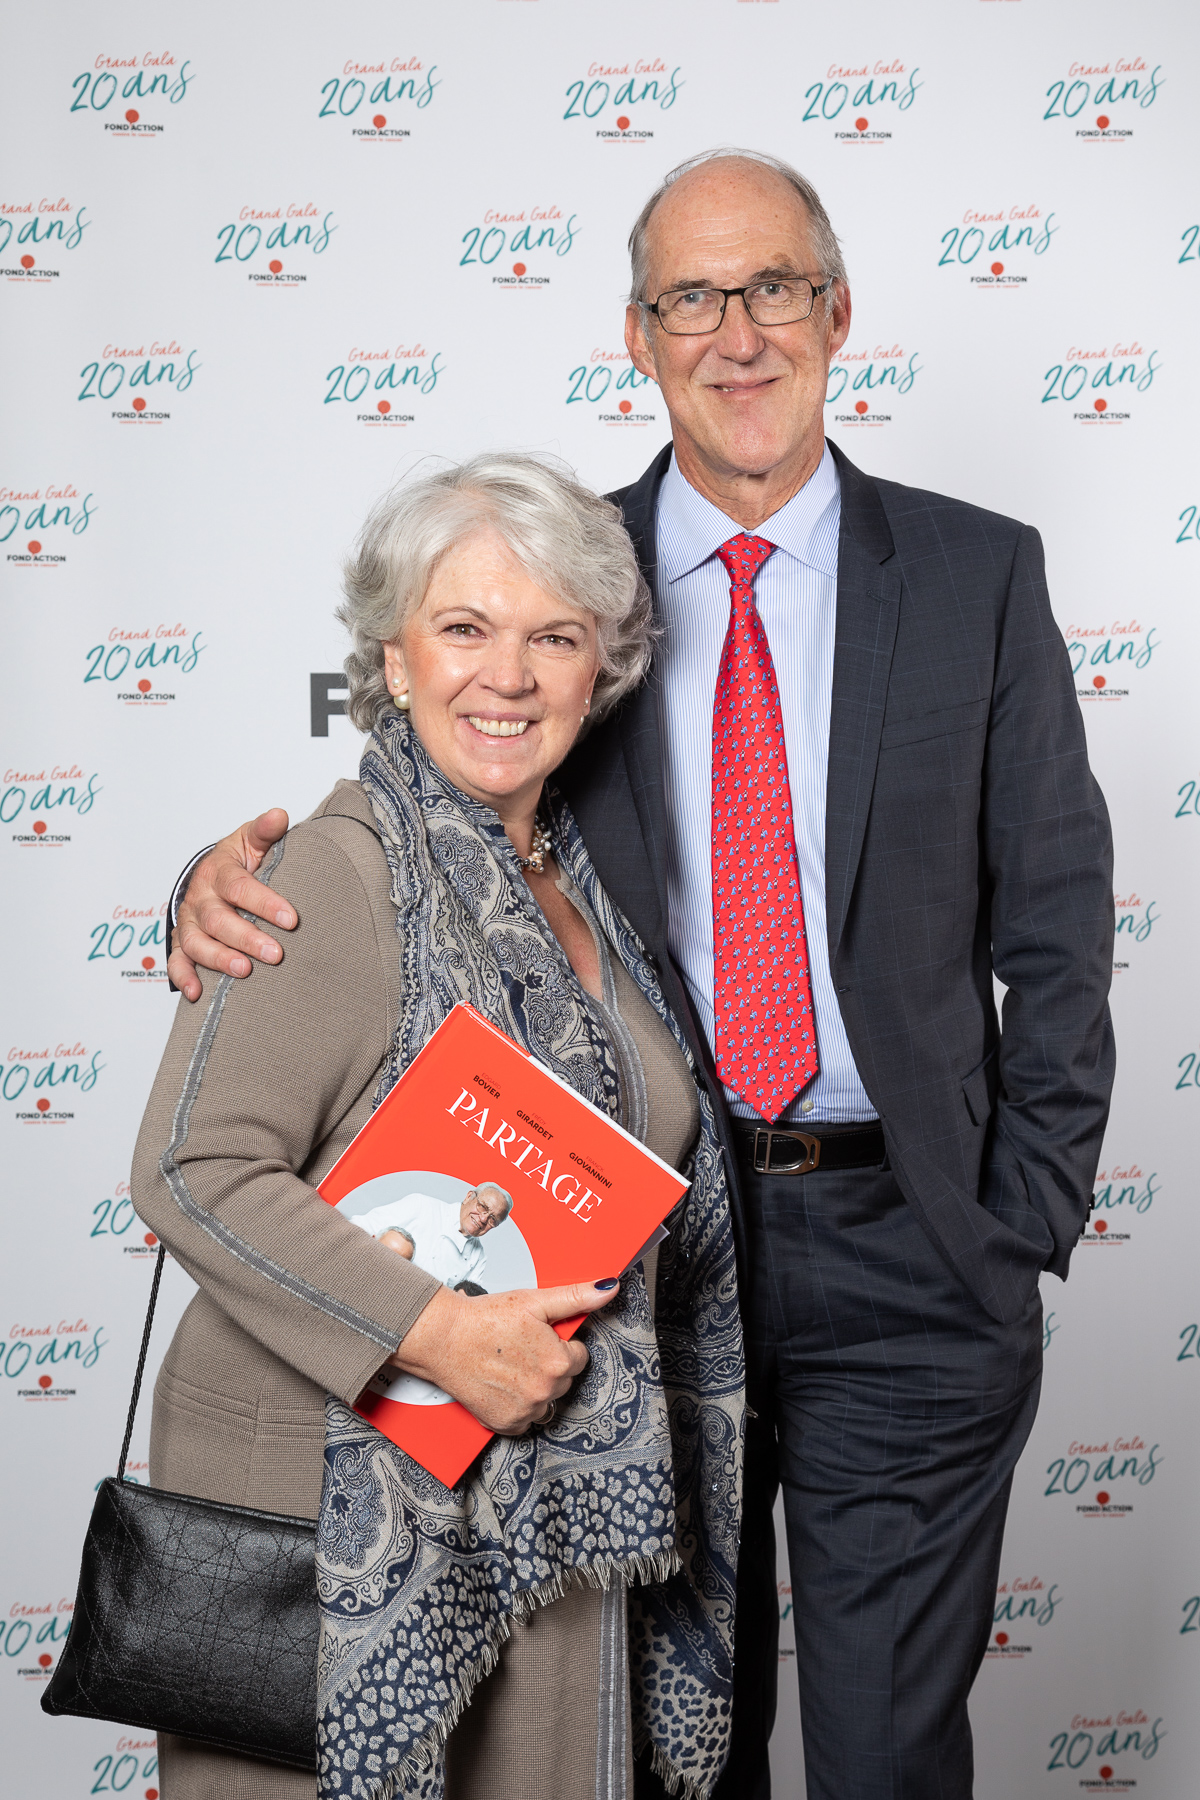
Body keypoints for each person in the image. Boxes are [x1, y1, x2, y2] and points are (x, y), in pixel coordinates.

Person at [168, 150, 1115, 1800]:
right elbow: (420, 805)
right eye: (693, 297)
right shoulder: (558, 580)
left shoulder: (979, 575)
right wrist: (209, 883)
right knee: (676, 1750)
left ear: (838, 313)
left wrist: (1018, 1212)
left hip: (915, 1248)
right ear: (637, 332)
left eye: (774, 289)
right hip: (637, 1261)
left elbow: (1057, 918)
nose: (737, 334)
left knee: (890, 1757)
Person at [132, 455, 744, 1800]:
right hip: (327, 1508)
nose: (506, 676)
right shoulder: (338, 870)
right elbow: (193, 1165)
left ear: (600, 671)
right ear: (395, 661)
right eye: (465, 627)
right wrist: (441, 1335)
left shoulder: (588, 882)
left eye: (554, 638)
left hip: (552, 1499)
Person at [349, 1180, 513, 1288]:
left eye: (493, 1219)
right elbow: (361, 1225)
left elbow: (466, 1304)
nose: (483, 1219)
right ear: (469, 1196)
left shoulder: (478, 1257)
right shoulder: (421, 1205)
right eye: (482, 1207)